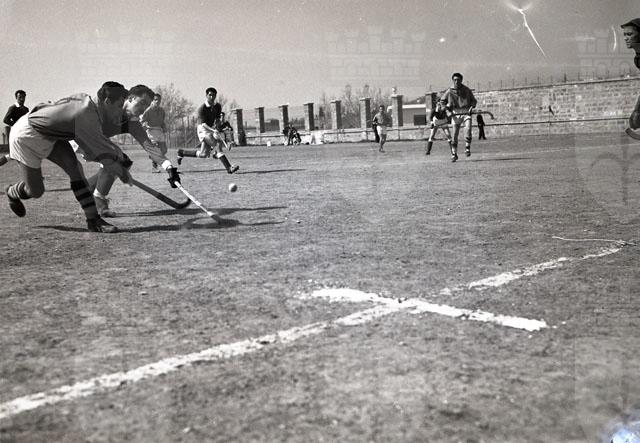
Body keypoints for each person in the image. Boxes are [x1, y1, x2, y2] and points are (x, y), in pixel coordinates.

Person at [5, 82, 133, 233]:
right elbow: (102, 155)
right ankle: (12, 192)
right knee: (36, 191)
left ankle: (93, 220)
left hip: (50, 135)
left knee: (75, 168)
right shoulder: (86, 114)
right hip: (26, 137)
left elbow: (99, 147)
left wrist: (117, 160)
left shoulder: (89, 105)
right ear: (107, 101)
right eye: (119, 106)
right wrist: (123, 173)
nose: (120, 111)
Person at [85, 84, 180, 218]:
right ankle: (99, 202)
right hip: (82, 136)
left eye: (146, 106)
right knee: (118, 160)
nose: (143, 109)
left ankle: (87, 188)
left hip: (97, 141)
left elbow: (149, 147)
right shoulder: (108, 103)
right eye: (142, 103)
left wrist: (169, 167)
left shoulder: (132, 123)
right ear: (130, 98)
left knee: (123, 163)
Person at [176, 87, 238, 174]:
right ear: (206, 95)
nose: (212, 97)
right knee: (217, 144)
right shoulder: (202, 108)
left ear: (215, 96)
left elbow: (217, 120)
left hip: (210, 128)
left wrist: (217, 128)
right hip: (203, 130)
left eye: (213, 95)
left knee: (203, 154)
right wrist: (213, 130)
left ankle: (182, 152)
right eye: (210, 95)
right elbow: (203, 125)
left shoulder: (217, 106)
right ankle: (229, 168)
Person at [441, 72, 477, 162]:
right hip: (455, 112)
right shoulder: (449, 91)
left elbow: (473, 101)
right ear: (453, 80)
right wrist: (447, 111)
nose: (456, 81)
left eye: (458, 80)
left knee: (468, 129)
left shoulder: (467, 90)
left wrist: (471, 107)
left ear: (461, 80)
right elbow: (442, 102)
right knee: (454, 134)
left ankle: (467, 148)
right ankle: (454, 153)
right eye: (455, 80)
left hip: (466, 111)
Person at [140, 93, 168, 172]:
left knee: (164, 150)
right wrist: (144, 125)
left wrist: (164, 126)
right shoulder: (148, 110)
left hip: (159, 130)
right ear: (152, 101)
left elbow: (162, 121)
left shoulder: (162, 111)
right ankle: (154, 167)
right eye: (155, 100)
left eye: (159, 100)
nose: (157, 101)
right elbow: (142, 120)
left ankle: (153, 157)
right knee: (156, 149)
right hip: (151, 131)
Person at [2, 90, 29, 166]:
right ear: (16, 98)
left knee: (19, 154)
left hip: (24, 133)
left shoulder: (26, 109)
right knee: (17, 154)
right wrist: (16, 125)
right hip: (16, 134)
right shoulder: (13, 108)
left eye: (23, 97)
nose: (22, 99)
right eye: (20, 97)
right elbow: (6, 119)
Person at [622, 18, 640, 129]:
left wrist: (637, 110)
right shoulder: (638, 58)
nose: (625, 38)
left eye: (629, 34)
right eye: (624, 35)